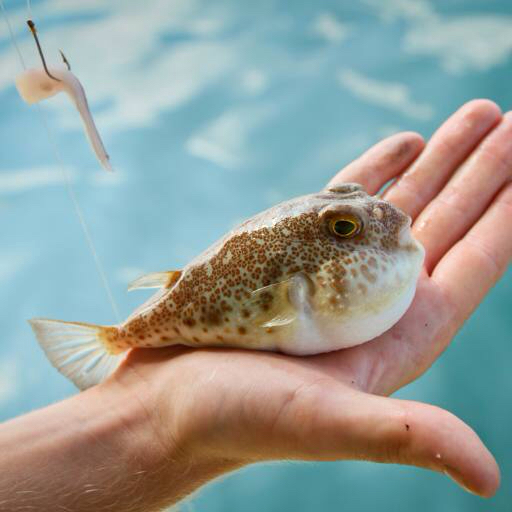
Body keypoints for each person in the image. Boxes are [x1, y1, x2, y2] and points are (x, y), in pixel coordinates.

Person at [1, 99, 510, 512]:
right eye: (344, 228)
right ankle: (111, 341)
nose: (385, 219)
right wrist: (144, 416)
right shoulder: (295, 286)